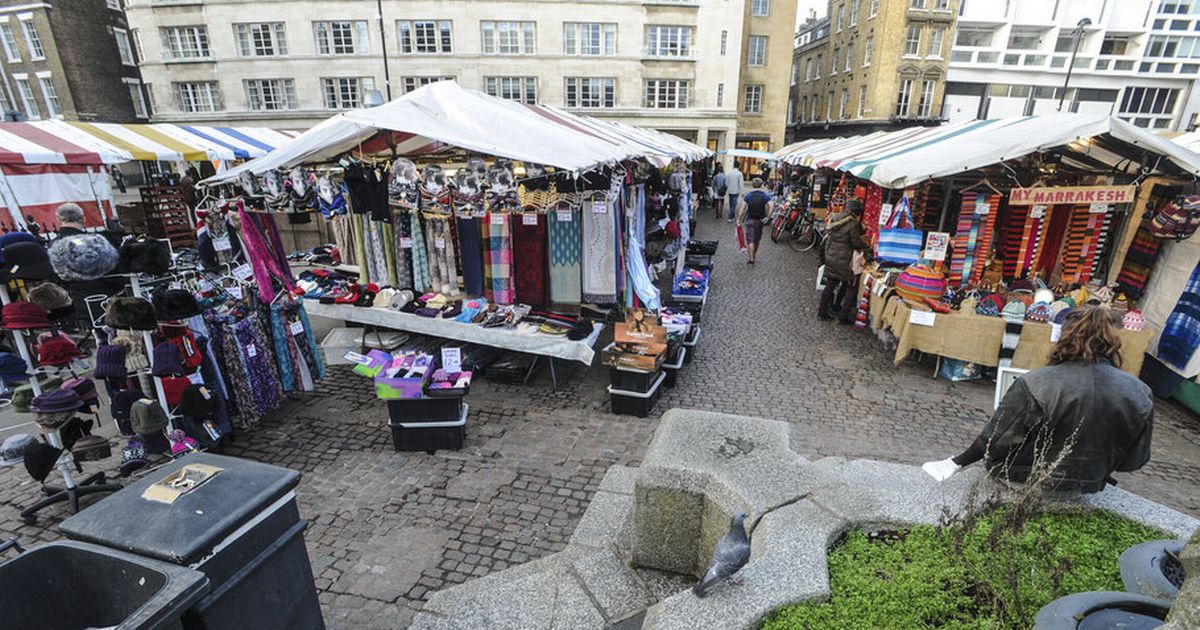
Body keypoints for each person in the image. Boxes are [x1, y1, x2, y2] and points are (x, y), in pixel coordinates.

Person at [923, 306, 1153, 494]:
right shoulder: (1140, 392)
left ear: (1065, 336)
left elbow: (996, 440)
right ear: (1115, 341)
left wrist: (958, 461)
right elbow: (1133, 461)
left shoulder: (1037, 382)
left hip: (1023, 477)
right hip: (1088, 484)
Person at [819, 198, 867, 323]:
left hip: (831, 255)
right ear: (857, 212)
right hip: (844, 258)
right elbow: (855, 242)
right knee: (850, 284)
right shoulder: (853, 223)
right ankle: (842, 314)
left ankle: (822, 311)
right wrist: (867, 246)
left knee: (830, 284)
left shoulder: (835, 217)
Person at [736, 178, 772, 265]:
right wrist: (768, 216)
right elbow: (772, 206)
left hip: (750, 220)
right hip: (760, 220)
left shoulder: (749, 195)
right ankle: (753, 255)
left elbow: (742, 208)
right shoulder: (765, 195)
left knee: (750, 239)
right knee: (757, 240)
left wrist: (738, 219)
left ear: (753, 185)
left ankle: (751, 258)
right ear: (761, 185)